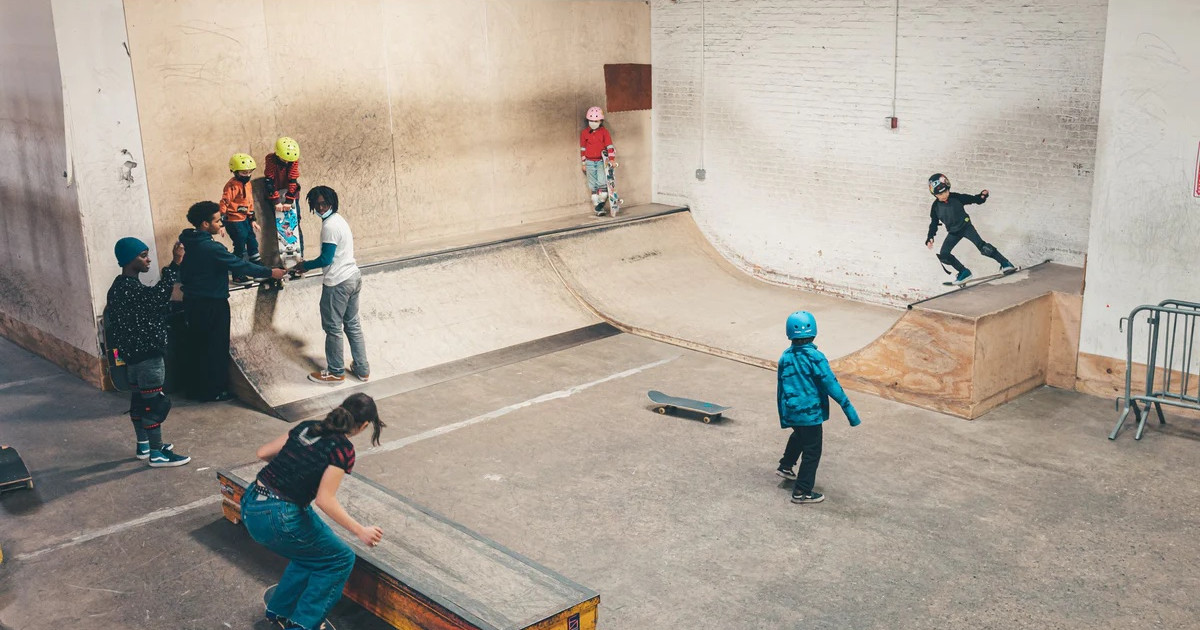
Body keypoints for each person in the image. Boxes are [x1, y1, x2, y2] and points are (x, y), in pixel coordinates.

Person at [241, 393, 386, 630]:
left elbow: (263, 453)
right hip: (279, 516)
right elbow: (324, 500)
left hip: (251, 502)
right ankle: (303, 625)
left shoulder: (307, 427)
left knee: (310, 552)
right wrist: (361, 531)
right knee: (339, 559)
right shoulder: (342, 449)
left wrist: (295, 462)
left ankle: (279, 612)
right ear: (364, 426)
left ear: (341, 408)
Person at [178, 202, 285, 402]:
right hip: (212, 305)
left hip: (192, 303)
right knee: (215, 348)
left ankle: (196, 390)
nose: (221, 225)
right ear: (204, 224)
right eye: (217, 221)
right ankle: (213, 391)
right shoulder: (211, 247)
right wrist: (270, 272)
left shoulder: (187, 242)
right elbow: (240, 265)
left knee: (198, 347)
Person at [105, 237, 191, 467]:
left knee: (139, 401)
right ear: (129, 260)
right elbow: (158, 297)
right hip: (147, 357)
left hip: (133, 357)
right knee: (155, 404)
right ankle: (157, 453)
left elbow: (147, 312)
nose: (148, 259)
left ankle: (144, 445)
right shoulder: (131, 290)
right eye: (143, 255)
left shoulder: (119, 287)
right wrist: (175, 263)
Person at [775, 311, 861, 504]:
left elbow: (780, 387)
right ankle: (802, 492)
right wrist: (851, 413)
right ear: (814, 333)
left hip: (792, 410)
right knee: (812, 451)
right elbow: (831, 385)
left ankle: (785, 465)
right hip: (810, 414)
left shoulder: (785, 357)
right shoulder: (816, 357)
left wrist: (784, 414)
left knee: (799, 435)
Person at [292, 186, 369, 385]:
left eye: (324, 204)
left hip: (338, 283)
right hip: (353, 276)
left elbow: (326, 259)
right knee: (352, 324)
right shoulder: (339, 220)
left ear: (332, 203)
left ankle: (336, 372)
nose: (320, 207)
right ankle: (362, 369)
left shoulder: (330, 227)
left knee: (333, 328)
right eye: (317, 204)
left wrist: (304, 266)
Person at [924, 173, 1016, 284]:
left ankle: (1005, 263)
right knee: (944, 254)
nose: (943, 195)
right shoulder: (935, 207)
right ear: (934, 195)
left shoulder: (956, 197)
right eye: (940, 194)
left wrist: (982, 196)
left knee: (983, 247)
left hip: (966, 227)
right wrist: (930, 237)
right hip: (953, 232)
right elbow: (933, 223)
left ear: (949, 189)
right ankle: (964, 272)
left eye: (945, 192)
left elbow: (972, 199)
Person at [220, 152, 262, 284]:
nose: (247, 175)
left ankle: (258, 271)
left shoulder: (247, 184)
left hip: (245, 219)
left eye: (250, 172)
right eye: (244, 173)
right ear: (235, 172)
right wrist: (221, 223)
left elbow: (249, 202)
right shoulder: (232, 185)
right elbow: (224, 203)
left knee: (253, 244)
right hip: (233, 221)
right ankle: (238, 275)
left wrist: (253, 219)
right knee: (240, 247)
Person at [265, 136, 303, 253]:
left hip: (290, 194)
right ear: (278, 154)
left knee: (295, 224)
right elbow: (269, 181)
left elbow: (293, 180)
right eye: (284, 160)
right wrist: (276, 201)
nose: (287, 162)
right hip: (275, 193)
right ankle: (282, 253)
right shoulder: (271, 159)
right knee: (280, 225)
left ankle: (300, 255)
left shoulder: (293, 160)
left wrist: (289, 201)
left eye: (289, 161)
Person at [579, 106, 617, 216]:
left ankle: (601, 204)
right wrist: (583, 163)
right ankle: (598, 208)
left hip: (601, 162)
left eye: (595, 121)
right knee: (592, 186)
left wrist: (612, 160)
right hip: (589, 162)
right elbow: (583, 148)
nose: (593, 123)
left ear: (600, 121)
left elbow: (609, 146)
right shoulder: (584, 133)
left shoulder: (604, 132)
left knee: (602, 184)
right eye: (591, 120)